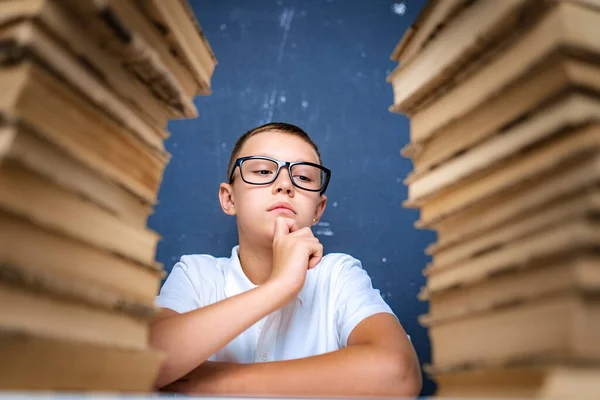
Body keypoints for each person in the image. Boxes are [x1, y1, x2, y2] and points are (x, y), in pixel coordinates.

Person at [150, 122, 422, 397]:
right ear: (229, 199)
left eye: (303, 178)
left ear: (318, 209)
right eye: (263, 171)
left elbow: (399, 374)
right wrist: (280, 286)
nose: (284, 185)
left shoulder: (337, 276)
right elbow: (144, 360)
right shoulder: (196, 275)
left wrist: (198, 380)